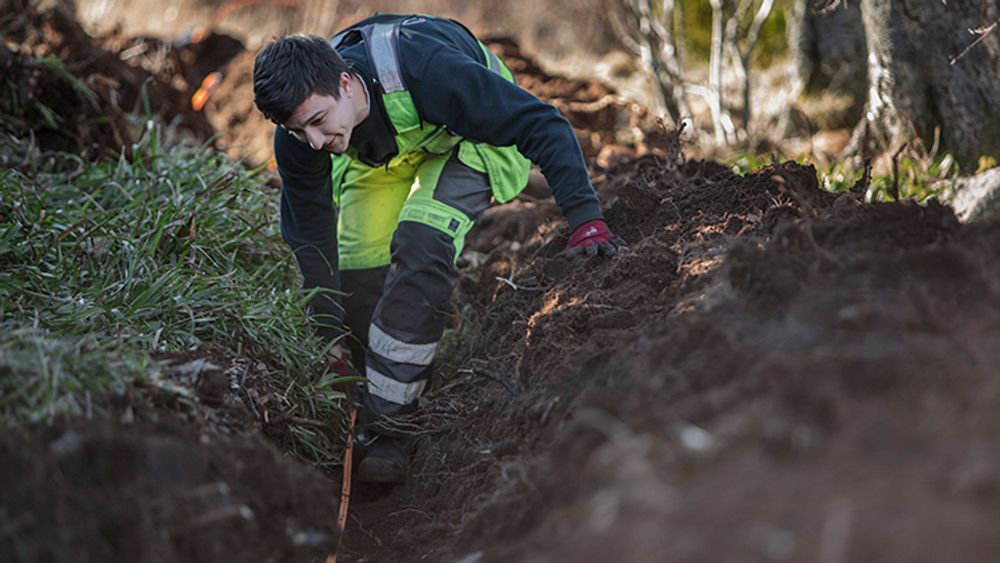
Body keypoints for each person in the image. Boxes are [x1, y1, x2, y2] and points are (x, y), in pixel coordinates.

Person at [253, 13, 625, 484]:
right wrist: (328, 329)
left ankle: (391, 429)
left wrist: (586, 222)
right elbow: (311, 234)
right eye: (298, 131)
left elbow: (542, 123)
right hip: (382, 154)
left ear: (345, 82)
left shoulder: (429, 69)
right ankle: (376, 392)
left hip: (466, 140)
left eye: (318, 123)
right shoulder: (304, 135)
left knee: (421, 242)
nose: (314, 141)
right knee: (357, 270)